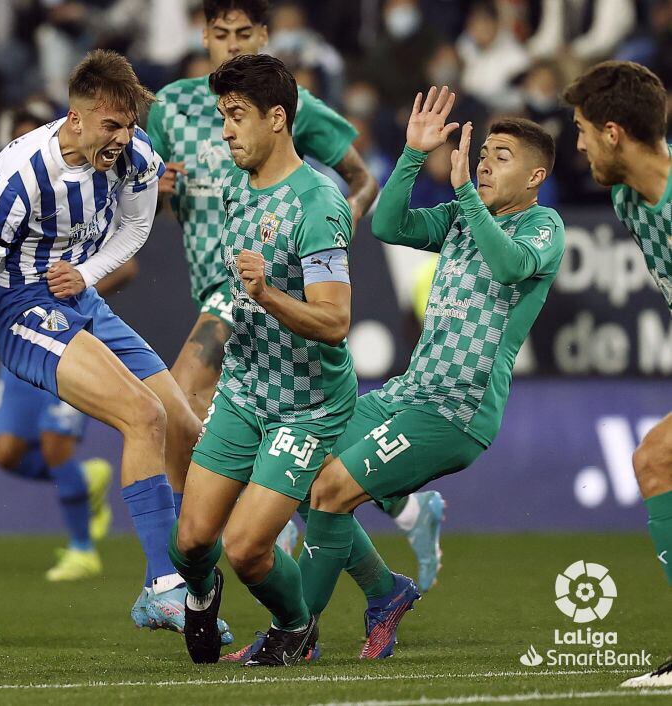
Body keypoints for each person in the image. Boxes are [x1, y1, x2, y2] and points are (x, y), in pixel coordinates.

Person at [147, 0, 446, 593]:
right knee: (300, 470)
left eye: (245, 34)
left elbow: (361, 181)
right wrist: (155, 191)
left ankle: (179, 578)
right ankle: (399, 534)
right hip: (223, 285)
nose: (232, 45)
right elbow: (142, 197)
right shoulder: (172, 109)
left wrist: (325, 243)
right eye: (220, 33)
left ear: (264, 36)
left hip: (246, 298)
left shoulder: (288, 106)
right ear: (201, 35)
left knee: (179, 403)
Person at [0, 49, 230, 642]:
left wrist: (89, 273)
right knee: (143, 414)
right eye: (111, 125)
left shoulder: (135, 158)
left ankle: (191, 571)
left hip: (79, 298)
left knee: (184, 427)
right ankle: (161, 590)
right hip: (21, 307)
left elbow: (135, 226)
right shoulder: (20, 173)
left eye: (129, 125)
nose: (122, 138)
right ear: (75, 119)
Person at [297, 87, 565, 661]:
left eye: (501, 156)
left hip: (456, 413)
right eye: (483, 151)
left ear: (536, 175)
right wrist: (415, 155)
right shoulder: (461, 217)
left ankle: (293, 634)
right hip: (407, 393)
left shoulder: (544, 227)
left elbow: (509, 264)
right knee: (298, 473)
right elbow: (388, 225)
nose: (486, 162)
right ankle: (385, 591)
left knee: (332, 490)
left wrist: (466, 192)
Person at [168, 53, 367, 667]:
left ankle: (295, 626)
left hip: (305, 406)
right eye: (222, 116)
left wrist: (265, 294)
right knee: (191, 541)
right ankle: (201, 600)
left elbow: (335, 323)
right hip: (244, 390)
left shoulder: (320, 205)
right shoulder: (232, 187)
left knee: (248, 547)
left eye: (235, 117)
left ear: (277, 118)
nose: (225, 130)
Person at [563, 60, 672, 689]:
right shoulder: (628, 197)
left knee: (656, 460)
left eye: (580, 130)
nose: (577, 145)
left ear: (612, 132)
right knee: (657, 462)